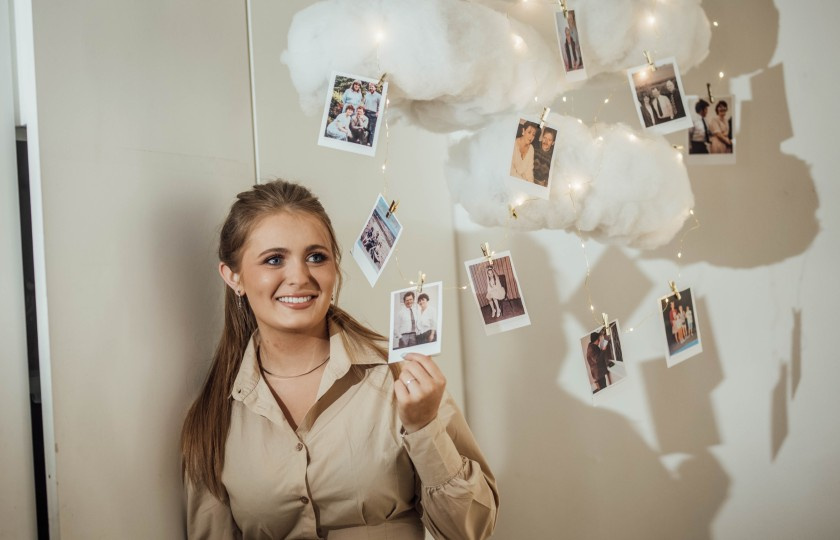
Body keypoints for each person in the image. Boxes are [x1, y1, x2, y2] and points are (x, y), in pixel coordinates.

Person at [181, 180, 498, 539]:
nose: (300, 277)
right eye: (274, 259)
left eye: (316, 257)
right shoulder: (212, 416)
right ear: (233, 276)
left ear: (335, 268)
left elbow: (472, 530)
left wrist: (424, 428)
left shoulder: (398, 377)